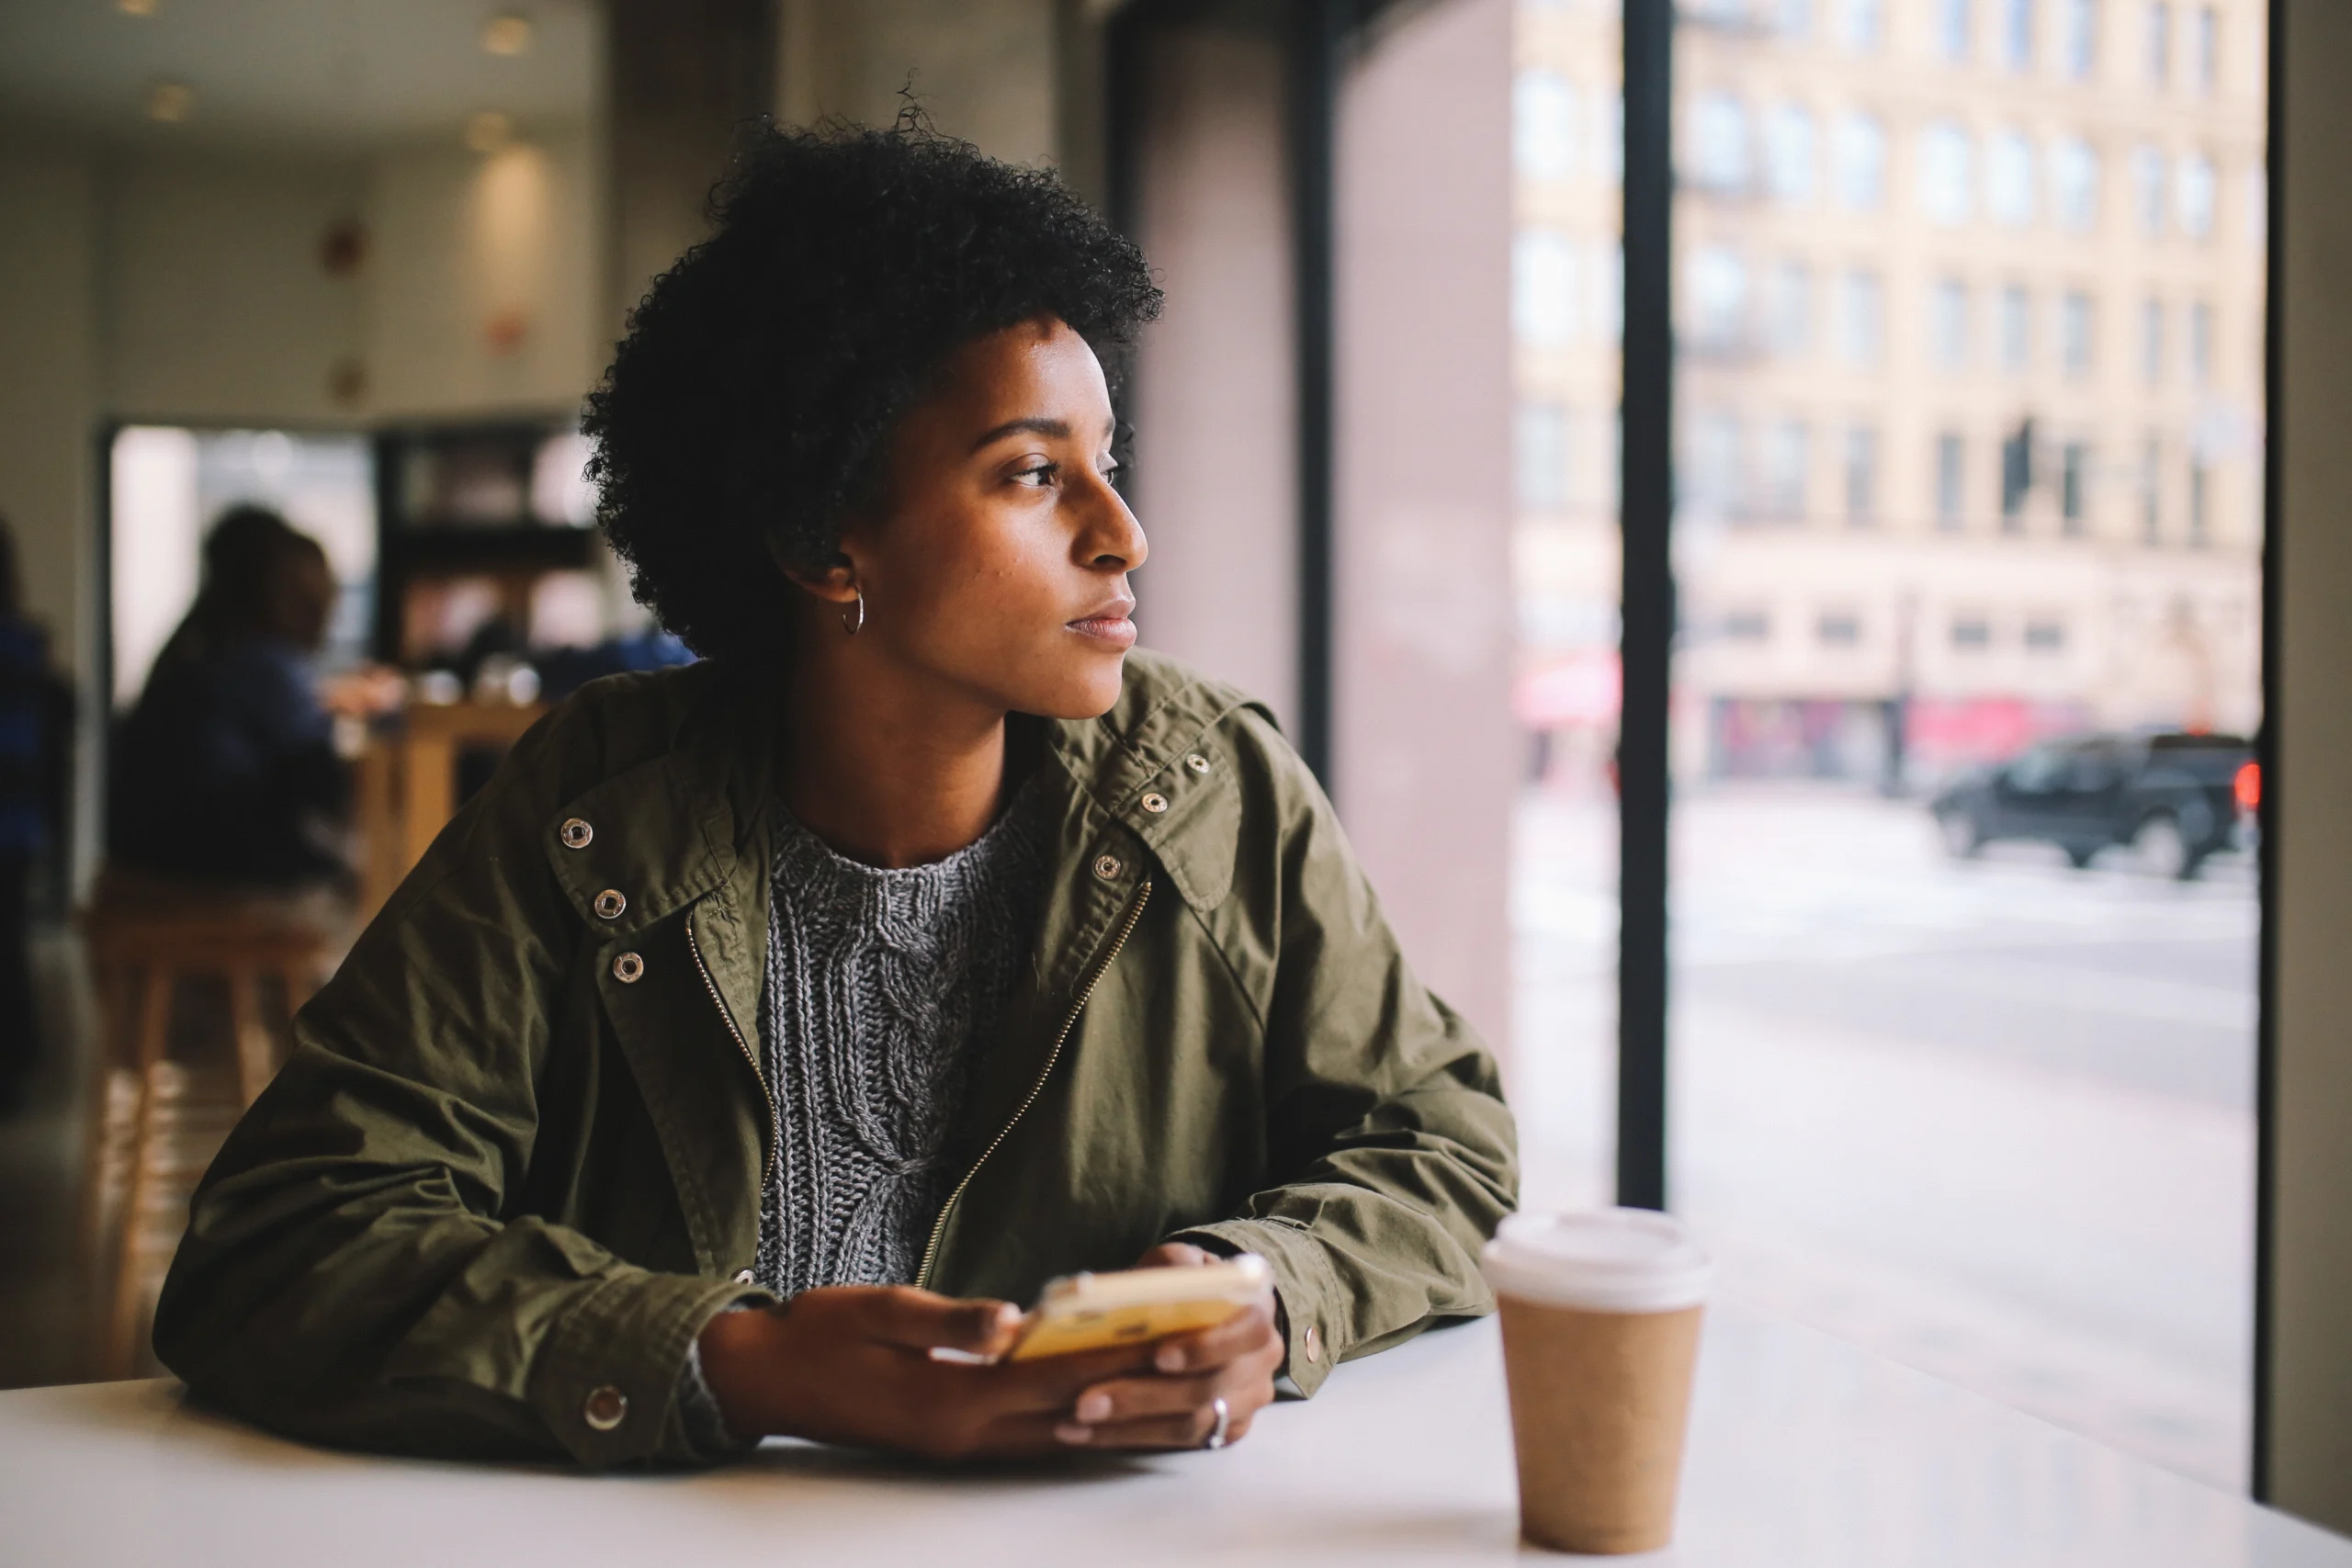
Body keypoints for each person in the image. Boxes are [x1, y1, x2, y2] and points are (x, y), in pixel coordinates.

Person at [153, 118, 1518, 1469]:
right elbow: (280, 1242)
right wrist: (733, 1359)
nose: (1123, 530)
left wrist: (1268, 1287)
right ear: (822, 539)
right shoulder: (597, 806)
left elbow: (1444, 1141)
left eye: (1112, 460)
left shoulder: (1214, 787)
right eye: (1036, 473)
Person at [108, 507, 350, 891]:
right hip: (207, 862)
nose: (327, 617)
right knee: (352, 870)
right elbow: (323, 781)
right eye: (314, 599)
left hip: (146, 849)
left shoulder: (193, 645)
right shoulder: (264, 663)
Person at [0, 514, 57, 1114]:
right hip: (19, 824)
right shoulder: (26, 645)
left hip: (11, 820)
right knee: (10, 945)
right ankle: (17, 1064)